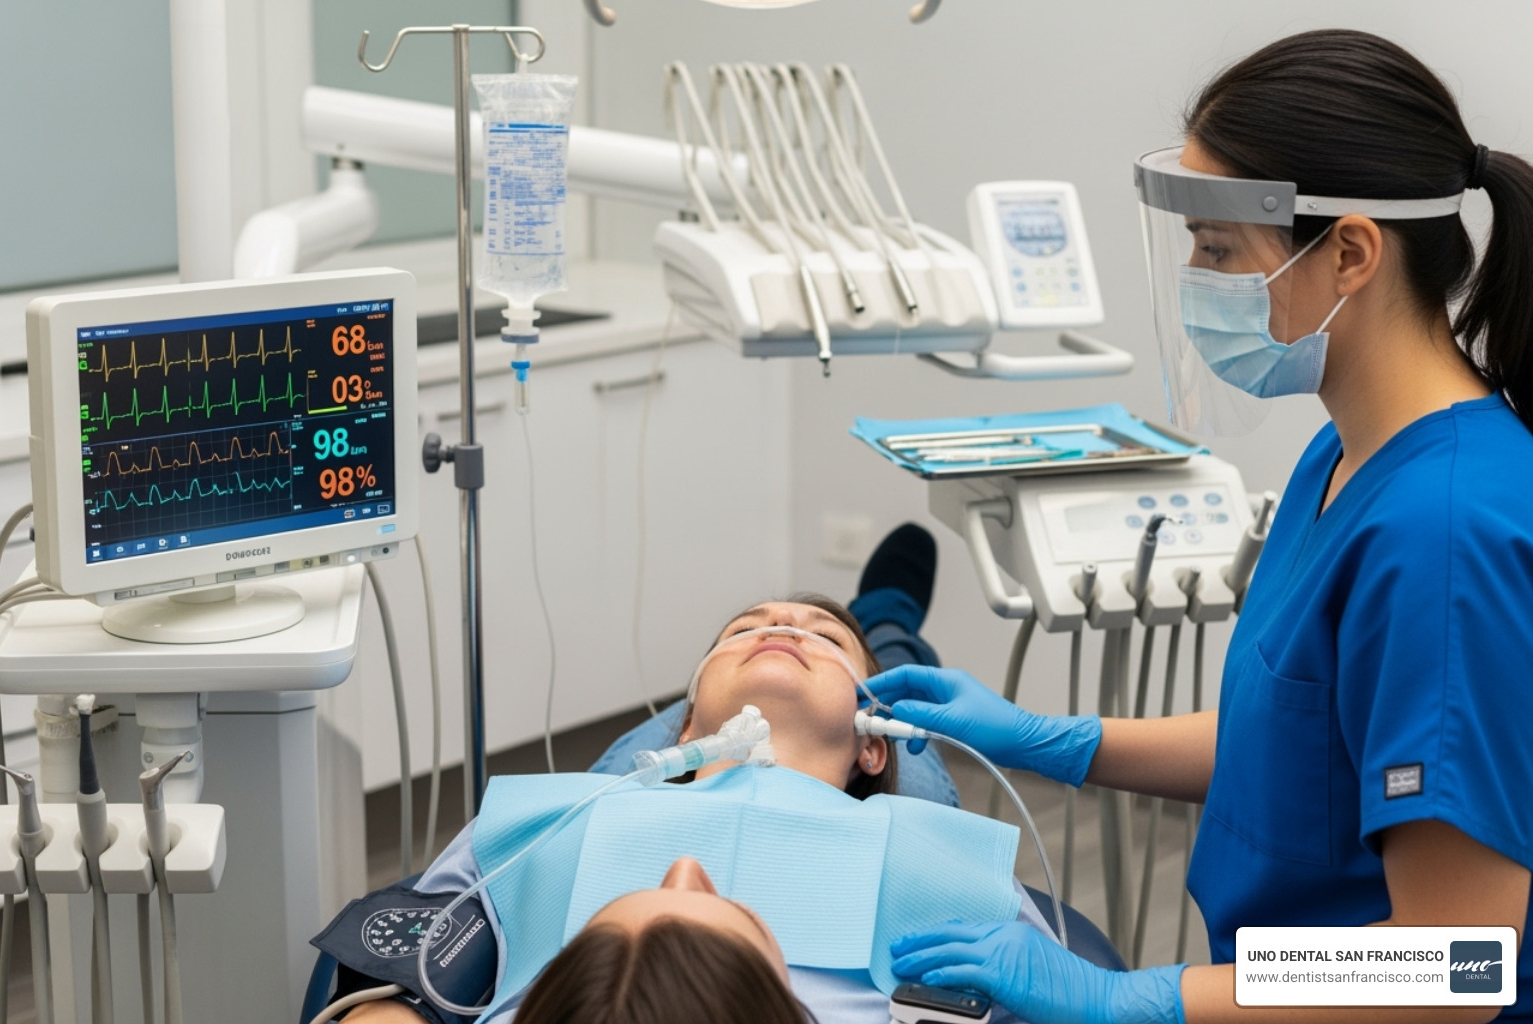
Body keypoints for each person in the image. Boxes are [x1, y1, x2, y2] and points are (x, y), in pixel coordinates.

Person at [871, 28, 1533, 1024]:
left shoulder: (1443, 538)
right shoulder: (1346, 455)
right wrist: (1061, 740)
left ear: (1349, 251)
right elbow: (1307, 740)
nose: (1196, 276)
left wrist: (1139, 997)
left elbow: (1454, 964)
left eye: (1218, 248)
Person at [320, 586, 1054, 1023]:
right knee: (898, 678)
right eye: (749, 627)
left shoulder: (569, 814)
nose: (783, 626)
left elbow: (397, 943)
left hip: (696, 752)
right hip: (714, 751)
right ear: (686, 732)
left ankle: (876, 627)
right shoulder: (932, 849)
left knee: (809, 679)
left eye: (817, 635)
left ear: (872, 743)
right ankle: (883, 627)